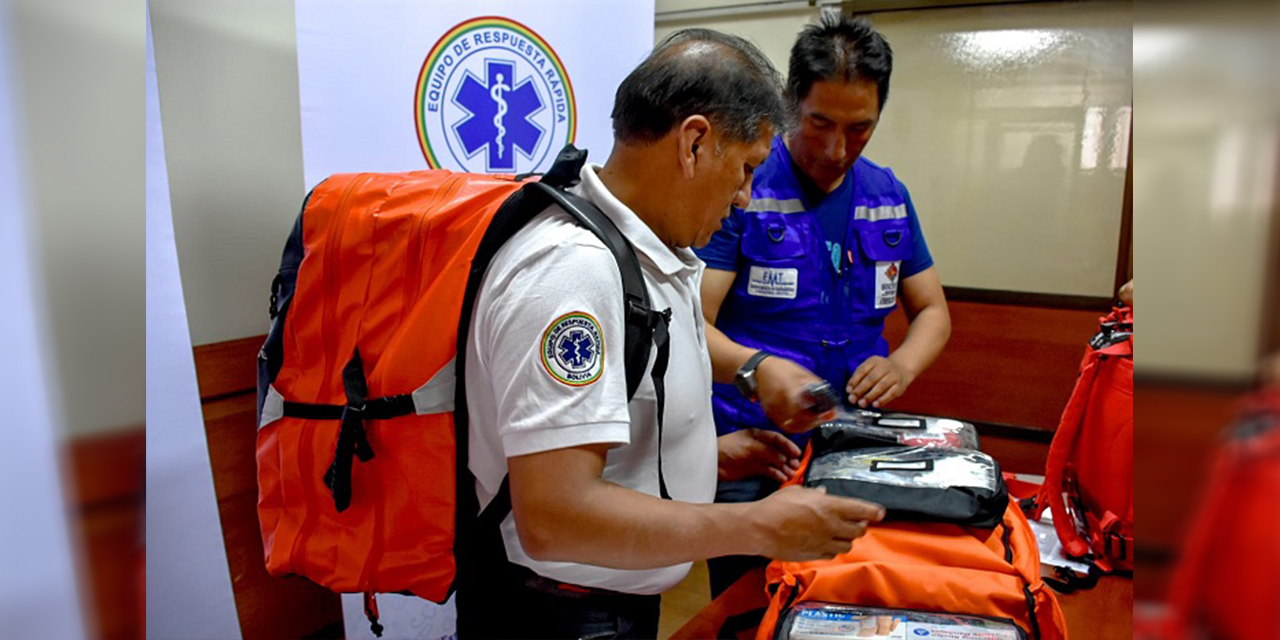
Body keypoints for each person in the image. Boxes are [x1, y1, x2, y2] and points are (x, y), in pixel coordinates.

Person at [457, 29, 884, 639]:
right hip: (560, 614)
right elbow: (554, 515)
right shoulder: (573, 272)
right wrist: (757, 526)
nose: (743, 199)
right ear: (694, 143)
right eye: (745, 169)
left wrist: (706, 454)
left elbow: (650, 352)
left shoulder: (645, 246)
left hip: (611, 596)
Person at [694, 15, 952, 596]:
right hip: (758, 452)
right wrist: (759, 371)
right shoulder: (744, 185)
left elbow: (933, 312)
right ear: (790, 103)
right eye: (820, 123)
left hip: (854, 446)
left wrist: (902, 365)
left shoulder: (888, 195)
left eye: (861, 128)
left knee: (845, 600)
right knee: (750, 608)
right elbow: (692, 326)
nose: (838, 149)